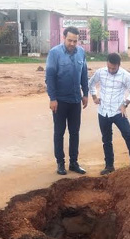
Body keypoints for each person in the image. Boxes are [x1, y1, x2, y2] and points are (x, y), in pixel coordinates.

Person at [89, 53, 130, 175]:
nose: (111, 70)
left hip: (118, 112)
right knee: (106, 140)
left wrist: (125, 104)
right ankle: (109, 166)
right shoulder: (100, 72)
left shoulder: (126, 75)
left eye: (113, 68)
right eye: (109, 67)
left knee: (128, 135)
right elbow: (91, 83)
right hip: (103, 112)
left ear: (119, 65)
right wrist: (94, 97)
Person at [45, 26, 89, 175]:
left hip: (76, 100)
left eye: (75, 41)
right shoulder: (54, 53)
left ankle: (74, 162)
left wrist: (86, 93)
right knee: (59, 132)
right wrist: (52, 98)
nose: (72, 43)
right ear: (64, 38)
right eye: (70, 40)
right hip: (60, 101)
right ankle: (60, 163)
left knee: (74, 132)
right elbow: (49, 77)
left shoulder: (81, 53)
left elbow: (84, 74)